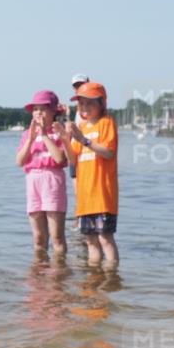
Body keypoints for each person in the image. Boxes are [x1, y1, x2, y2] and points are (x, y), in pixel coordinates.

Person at [66, 82, 120, 269]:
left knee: (105, 238)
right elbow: (72, 158)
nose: (85, 107)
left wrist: (83, 139)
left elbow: (108, 152)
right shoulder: (82, 128)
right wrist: (66, 138)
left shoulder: (107, 123)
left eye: (89, 103)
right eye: (81, 103)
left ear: (101, 103)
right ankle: (94, 277)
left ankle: (112, 278)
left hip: (103, 194)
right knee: (90, 241)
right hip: (85, 197)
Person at [16, 90, 73, 257]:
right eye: (35, 109)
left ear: (53, 111)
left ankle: (59, 276)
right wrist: (31, 139)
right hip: (33, 181)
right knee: (39, 237)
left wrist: (44, 135)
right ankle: (40, 273)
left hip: (52, 180)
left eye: (43, 109)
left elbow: (59, 159)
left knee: (57, 237)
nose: (38, 113)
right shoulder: (27, 134)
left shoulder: (59, 132)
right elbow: (19, 161)